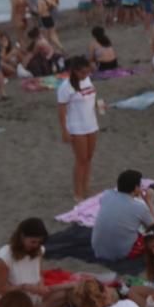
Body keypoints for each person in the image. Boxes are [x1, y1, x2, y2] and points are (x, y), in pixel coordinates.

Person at [0, 218, 74, 307]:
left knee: (66, 293)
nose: (36, 245)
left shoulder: (38, 250)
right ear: (22, 237)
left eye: (39, 242)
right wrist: (25, 287)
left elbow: (39, 273)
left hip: (35, 294)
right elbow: (0, 288)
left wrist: (40, 285)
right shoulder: (4, 257)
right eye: (33, 242)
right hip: (16, 298)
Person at [57, 56, 99, 202]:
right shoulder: (65, 87)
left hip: (91, 124)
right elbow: (61, 111)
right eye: (83, 73)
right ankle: (78, 192)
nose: (86, 75)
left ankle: (86, 186)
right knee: (80, 160)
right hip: (77, 127)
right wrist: (64, 131)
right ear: (74, 71)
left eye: (87, 72)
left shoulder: (87, 80)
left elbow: (90, 98)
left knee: (89, 158)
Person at [92, 170, 154, 262]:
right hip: (121, 252)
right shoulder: (139, 207)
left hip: (98, 249)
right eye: (140, 186)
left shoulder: (107, 195)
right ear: (135, 188)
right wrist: (149, 201)